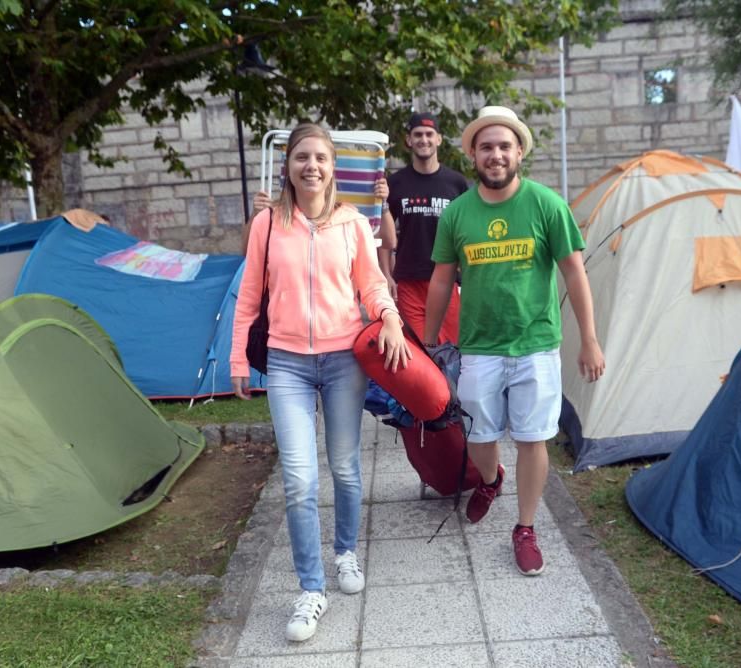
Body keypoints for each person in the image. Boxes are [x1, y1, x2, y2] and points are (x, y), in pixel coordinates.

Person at [230, 123, 411, 642]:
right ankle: (311, 589)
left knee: (347, 468)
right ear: (288, 165)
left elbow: (372, 282)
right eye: (302, 157)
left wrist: (391, 317)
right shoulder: (267, 225)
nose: (311, 166)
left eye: (321, 158)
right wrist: (238, 359)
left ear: (334, 167)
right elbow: (248, 296)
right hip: (286, 361)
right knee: (300, 480)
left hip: (342, 359)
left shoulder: (353, 223)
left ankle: (346, 551)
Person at [423, 106, 605, 576]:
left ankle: (524, 528)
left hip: (536, 344)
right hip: (479, 347)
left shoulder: (547, 205)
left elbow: (574, 273)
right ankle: (490, 479)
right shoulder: (458, 213)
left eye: (505, 146)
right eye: (486, 147)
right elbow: (442, 280)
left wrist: (589, 339)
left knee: (531, 437)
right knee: (480, 436)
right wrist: (427, 340)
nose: (496, 154)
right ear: (474, 156)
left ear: (519, 151)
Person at [374, 112, 467, 344]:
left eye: (429, 134)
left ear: (439, 139)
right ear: (409, 140)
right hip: (408, 280)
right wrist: (386, 274)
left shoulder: (456, 183)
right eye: (417, 135)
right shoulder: (395, 183)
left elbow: (467, 234)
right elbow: (384, 236)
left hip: (447, 278)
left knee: (451, 350)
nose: (423, 139)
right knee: (420, 350)